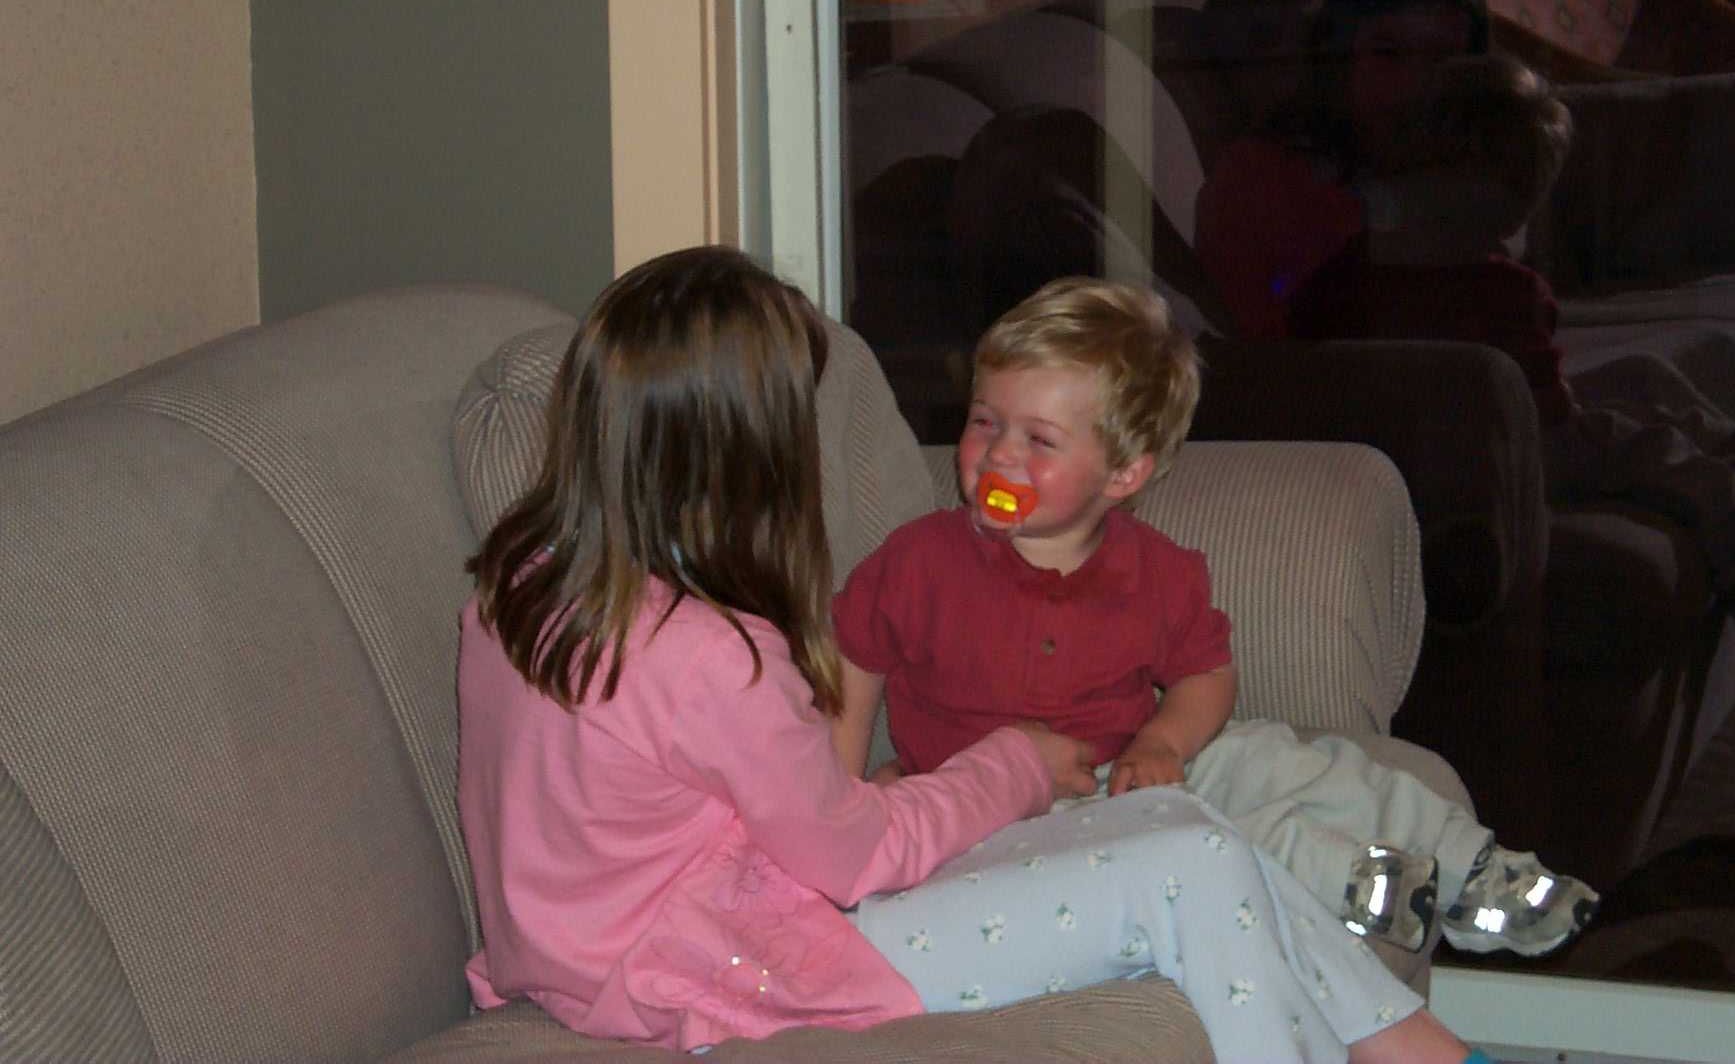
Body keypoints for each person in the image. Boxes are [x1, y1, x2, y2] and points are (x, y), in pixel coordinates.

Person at [456, 246, 1481, 1062]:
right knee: (1191, 867)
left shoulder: (517, 586)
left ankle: (1410, 1047)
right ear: (748, 453)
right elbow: (850, 856)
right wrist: (1013, 764)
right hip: (724, 961)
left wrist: (876, 792)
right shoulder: (713, 655)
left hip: (625, 937)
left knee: (1177, 820)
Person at [831, 276, 1599, 961]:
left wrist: (1163, 740)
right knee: (1197, 837)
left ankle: (1473, 869)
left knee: (1274, 758)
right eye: (983, 421)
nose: (997, 456)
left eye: (1039, 440)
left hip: (1129, 765)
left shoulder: (1157, 572)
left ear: (1123, 473)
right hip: (999, 817)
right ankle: (1361, 887)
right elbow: (855, 664)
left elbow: (1205, 675)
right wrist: (844, 796)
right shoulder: (918, 559)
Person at [1291, 53, 1735, 593]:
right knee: (1635, 446)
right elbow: (1548, 410)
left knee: (1636, 380)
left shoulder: (1346, 266)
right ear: (1521, 207)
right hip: (1494, 461)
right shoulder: (1507, 290)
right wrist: (1577, 413)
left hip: (1402, 447)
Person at [1195, 0, 1490, 341]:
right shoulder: (1261, 178)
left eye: (1441, 62)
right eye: (1388, 53)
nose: (1413, 88)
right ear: (1340, 50)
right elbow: (1265, 348)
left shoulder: (1472, 171)